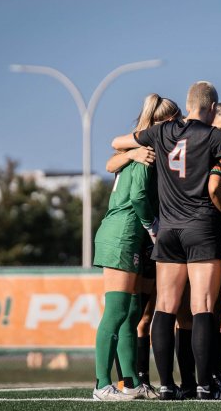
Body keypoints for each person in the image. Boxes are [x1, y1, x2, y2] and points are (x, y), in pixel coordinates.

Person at [111, 81, 221, 400]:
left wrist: (136, 151)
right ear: (211, 108)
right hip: (202, 228)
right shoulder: (213, 136)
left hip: (168, 230)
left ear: (188, 102)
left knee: (165, 308)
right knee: (203, 307)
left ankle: (166, 385)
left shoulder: (163, 131)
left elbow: (117, 143)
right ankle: (202, 384)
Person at [92, 94, 177, 401]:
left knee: (130, 313)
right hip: (123, 234)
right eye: (175, 123)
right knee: (115, 312)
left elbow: (113, 159)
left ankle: (131, 382)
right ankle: (101, 384)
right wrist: (152, 226)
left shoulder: (137, 149)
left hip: (128, 235)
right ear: (164, 124)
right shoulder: (148, 152)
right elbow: (139, 195)